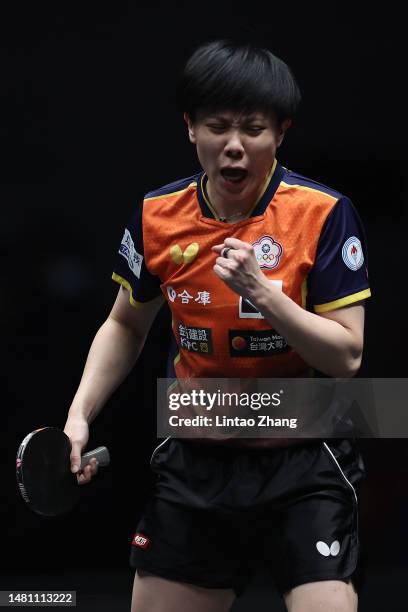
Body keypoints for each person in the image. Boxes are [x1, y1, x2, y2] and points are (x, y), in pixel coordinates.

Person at [63, 40, 371, 612]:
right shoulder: (158, 216)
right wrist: (78, 417)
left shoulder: (322, 213)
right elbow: (124, 326)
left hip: (303, 461)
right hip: (196, 463)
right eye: (217, 127)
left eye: (253, 129)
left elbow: (347, 356)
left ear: (280, 133)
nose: (234, 147)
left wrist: (260, 292)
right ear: (191, 130)